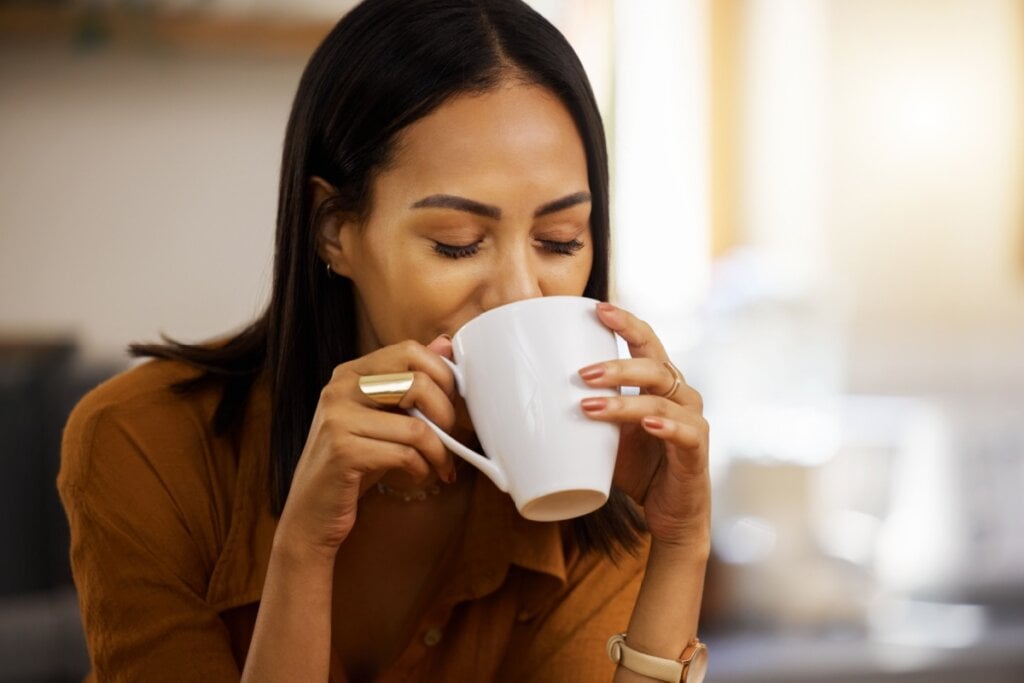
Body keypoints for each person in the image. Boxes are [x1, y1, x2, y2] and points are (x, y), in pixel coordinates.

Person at [58, 0, 711, 681]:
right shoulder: (141, 445)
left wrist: (680, 541)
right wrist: (304, 552)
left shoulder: (601, 470)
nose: (521, 292)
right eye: (457, 244)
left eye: (559, 241)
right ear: (334, 231)